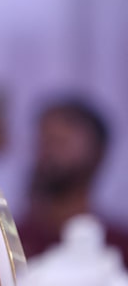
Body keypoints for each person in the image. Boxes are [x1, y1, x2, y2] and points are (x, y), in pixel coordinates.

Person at [16, 95, 128, 267]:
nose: (49, 154)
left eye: (61, 143)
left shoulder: (119, 247)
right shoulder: (15, 240)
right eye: (44, 142)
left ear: (97, 154)